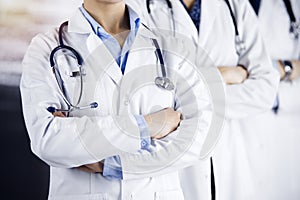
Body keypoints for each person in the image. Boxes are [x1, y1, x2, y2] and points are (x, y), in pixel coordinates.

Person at [20, 0, 213, 199]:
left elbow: (198, 137)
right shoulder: (45, 48)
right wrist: (147, 126)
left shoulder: (171, 47)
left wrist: (116, 165)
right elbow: (49, 141)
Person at [126, 0, 279, 199]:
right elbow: (144, 85)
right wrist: (224, 75)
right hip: (173, 164)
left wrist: (185, 92)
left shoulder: (235, 5)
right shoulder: (139, 7)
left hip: (230, 158)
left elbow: (265, 89)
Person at [242, 0, 300, 199]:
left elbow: (237, 75)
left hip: (282, 136)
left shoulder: (293, 6)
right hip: (236, 134)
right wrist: (284, 71)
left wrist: (265, 85)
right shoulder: (220, 7)